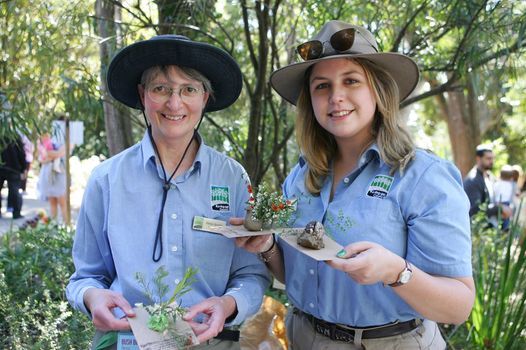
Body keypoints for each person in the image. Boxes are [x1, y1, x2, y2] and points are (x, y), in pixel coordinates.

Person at [236, 20, 474, 349]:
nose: (336, 97)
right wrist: (265, 247)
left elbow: (458, 306)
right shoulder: (303, 175)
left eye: (351, 81)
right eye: (321, 86)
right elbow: (296, 275)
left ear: (377, 89)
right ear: (310, 99)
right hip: (301, 336)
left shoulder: (423, 176)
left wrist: (396, 272)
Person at [66, 34, 269, 349]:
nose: (175, 103)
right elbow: (85, 277)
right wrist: (92, 297)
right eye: (161, 88)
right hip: (128, 340)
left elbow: (252, 274)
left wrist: (228, 304)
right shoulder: (106, 180)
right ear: (142, 94)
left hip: (210, 340)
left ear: (205, 97)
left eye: (189, 89)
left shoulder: (232, 178)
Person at [463, 145, 512, 225]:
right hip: (480, 232)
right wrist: (499, 208)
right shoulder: (473, 180)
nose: (492, 161)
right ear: (478, 159)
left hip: (493, 227)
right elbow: (475, 212)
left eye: (493, 158)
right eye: (488, 158)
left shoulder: (490, 176)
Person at [36, 132, 67, 222]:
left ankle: (66, 225)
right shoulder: (44, 142)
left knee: (62, 201)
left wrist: (49, 154)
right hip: (48, 174)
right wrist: (52, 155)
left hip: (59, 173)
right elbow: (41, 158)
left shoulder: (64, 140)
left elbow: (60, 153)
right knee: (52, 201)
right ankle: (54, 225)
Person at [0, 135, 28, 219]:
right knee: (14, 191)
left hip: (8, 168)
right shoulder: (15, 136)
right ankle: (16, 212)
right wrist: (23, 168)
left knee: (14, 191)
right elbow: (21, 153)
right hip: (13, 167)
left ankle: (16, 212)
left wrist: (23, 168)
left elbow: (21, 152)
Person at [493, 165, 515, 229]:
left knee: (497, 220)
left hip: (498, 203)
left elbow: (494, 192)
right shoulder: (510, 185)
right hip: (506, 204)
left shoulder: (497, 184)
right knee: (506, 220)